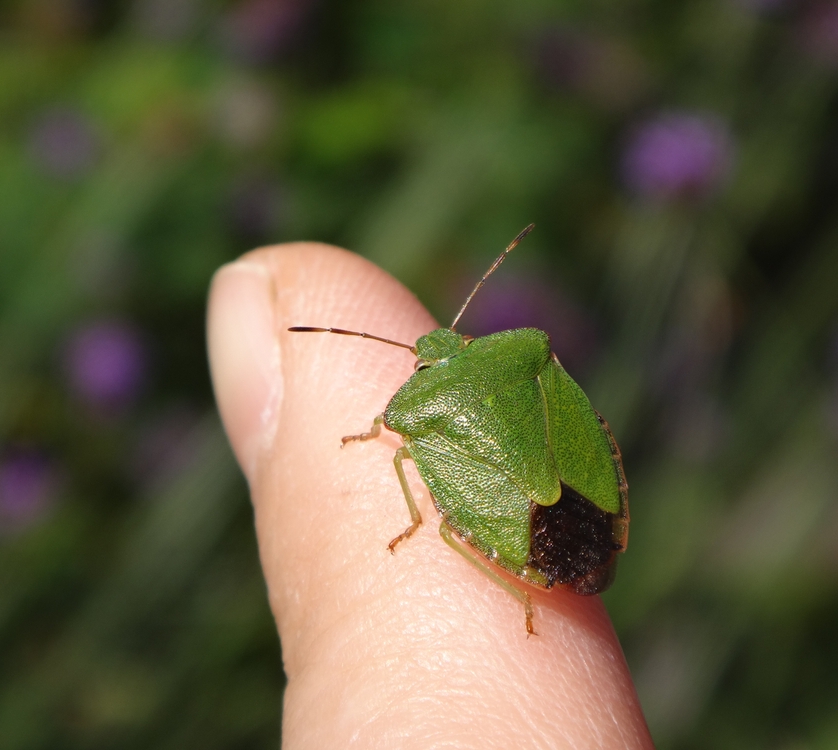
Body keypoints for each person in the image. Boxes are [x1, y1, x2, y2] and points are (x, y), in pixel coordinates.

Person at [208, 242, 654, 748]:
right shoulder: (525, 355)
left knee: (438, 522)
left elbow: (390, 430)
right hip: (579, 489)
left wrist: (373, 433)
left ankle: (512, 594)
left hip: (529, 529)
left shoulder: (416, 414)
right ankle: (529, 592)